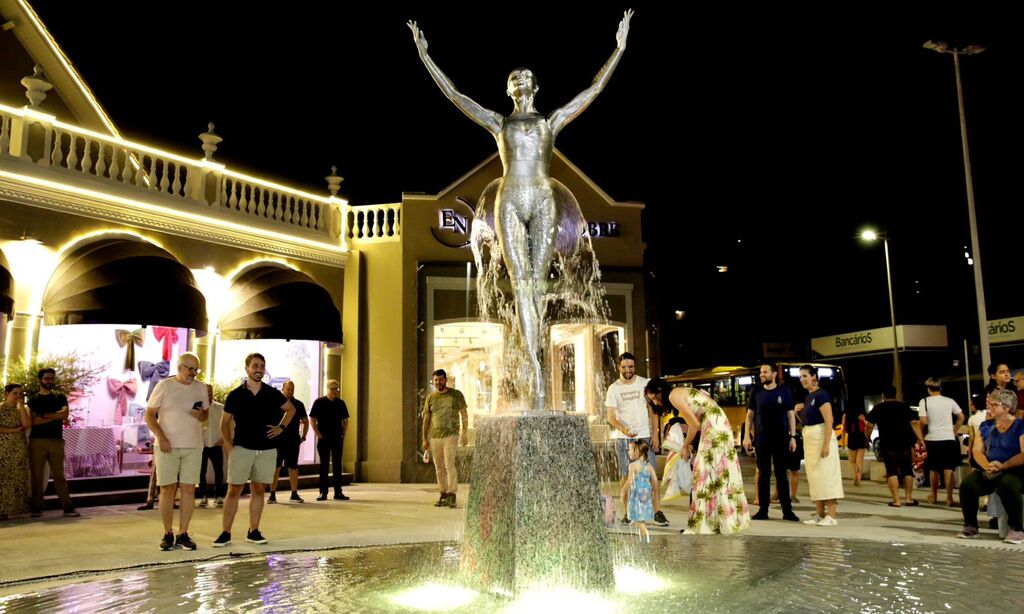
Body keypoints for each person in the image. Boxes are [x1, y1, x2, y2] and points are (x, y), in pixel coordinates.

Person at [408, 11, 633, 410]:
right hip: (509, 197)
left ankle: (538, 376)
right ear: (509, 89)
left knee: (536, 283)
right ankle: (534, 373)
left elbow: (593, 90)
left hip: (543, 196)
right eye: (514, 78)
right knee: (522, 283)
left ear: (536, 85)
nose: (520, 81)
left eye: (525, 76)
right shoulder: (498, 123)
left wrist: (619, 48)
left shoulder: (551, 122)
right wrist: (425, 56)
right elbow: (455, 95)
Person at [645, 378, 749, 535]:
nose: (655, 402)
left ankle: (703, 524)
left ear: (660, 391)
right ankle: (720, 520)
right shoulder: (682, 390)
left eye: (654, 397)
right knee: (718, 473)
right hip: (719, 424)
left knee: (703, 474)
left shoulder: (673, 395)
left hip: (713, 427)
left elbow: (694, 424)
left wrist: (685, 446)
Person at [214, 353, 295, 547]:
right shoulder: (235, 395)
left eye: (262, 366)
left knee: (259, 489)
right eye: (255, 366)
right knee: (234, 490)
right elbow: (224, 423)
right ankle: (225, 532)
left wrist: (281, 428)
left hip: (266, 450)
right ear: (247, 368)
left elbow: (291, 410)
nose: (259, 369)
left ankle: (254, 531)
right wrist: (228, 446)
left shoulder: (272, 393)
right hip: (242, 448)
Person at [144, 352, 209, 550]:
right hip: (167, 445)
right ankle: (167, 533)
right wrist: (161, 437)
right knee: (167, 489)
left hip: (193, 445)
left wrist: (201, 414)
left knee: (189, 489)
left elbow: (205, 415)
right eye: (190, 369)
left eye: (196, 369)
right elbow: (149, 415)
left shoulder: (200, 388)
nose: (193, 373)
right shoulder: (165, 386)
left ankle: (183, 533)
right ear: (180, 368)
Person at [956, 389, 1024, 543]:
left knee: (1007, 485)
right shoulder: (986, 426)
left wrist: (1003, 466)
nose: (989, 408)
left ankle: (1017, 529)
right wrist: (987, 465)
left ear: (1006, 408)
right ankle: (971, 526)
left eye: (994, 405)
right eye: (989, 404)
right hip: (992, 468)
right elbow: (977, 450)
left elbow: (1023, 454)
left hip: (1016, 470)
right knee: (967, 486)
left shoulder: (1020, 426)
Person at [606, 353, 666, 525]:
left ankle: (657, 512)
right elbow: (610, 416)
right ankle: (629, 513)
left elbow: (653, 411)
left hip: (644, 436)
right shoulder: (614, 388)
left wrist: (655, 435)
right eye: (624, 367)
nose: (628, 370)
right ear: (619, 367)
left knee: (651, 474)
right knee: (626, 474)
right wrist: (623, 429)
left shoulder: (644, 383)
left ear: (635, 366)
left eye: (631, 366)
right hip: (624, 438)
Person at [743, 362, 799, 522]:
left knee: (782, 475)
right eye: (761, 372)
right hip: (762, 438)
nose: (762, 374)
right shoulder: (757, 391)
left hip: (781, 438)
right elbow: (749, 415)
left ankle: (787, 511)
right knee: (763, 475)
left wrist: (792, 437)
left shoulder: (784, 391)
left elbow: (790, 415)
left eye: (765, 372)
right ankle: (763, 510)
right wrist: (747, 436)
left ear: (774, 374)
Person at [27, 368, 78, 517]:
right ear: (40, 380)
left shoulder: (60, 396)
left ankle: (67, 506)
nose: (49, 381)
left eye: (51, 378)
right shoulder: (34, 399)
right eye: (47, 378)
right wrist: (55, 416)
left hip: (56, 440)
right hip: (37, 441)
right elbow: (34, 421)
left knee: (59, 475)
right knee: (36, 475)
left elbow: (65, 414)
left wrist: (44, 415)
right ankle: (37, 506)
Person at [796, 365, 844, 526]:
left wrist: (826, 444)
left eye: (805, 376)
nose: (802, 379)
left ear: (814, 377)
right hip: (810, 440)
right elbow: (805, 421)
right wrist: (796, 412)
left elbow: (829, 420)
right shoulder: (808, 397)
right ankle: (820, 514)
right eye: (801, 376)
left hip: (821, 438)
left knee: (827, 475)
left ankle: (831, 516)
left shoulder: (822, 395)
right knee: (815, 477)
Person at [866, 385, 925, 507]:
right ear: (896, 395)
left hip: (887, 443)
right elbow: (914, 423)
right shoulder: (904, 407)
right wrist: (921, 439)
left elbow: (869, 425)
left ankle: (896, 500)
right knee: (907, 470)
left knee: (891, 471)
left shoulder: (878, 408)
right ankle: (908, 498)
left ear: (883, 396)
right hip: (904, 443)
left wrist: (866, 439)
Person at [420, 370, 467, 508]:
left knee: (449, 465)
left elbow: (464, 414)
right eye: (435, 380)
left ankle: (452, 494)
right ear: (433, 381)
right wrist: (424, 439)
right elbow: (426, 420)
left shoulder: (456, 395)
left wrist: (464, 433)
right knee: (439, 467)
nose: (438, 382)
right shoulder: (430, 398)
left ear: (445, 380)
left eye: (440, 380)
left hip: (451, 435)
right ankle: (443, 493)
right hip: (435, 437)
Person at [918, 377, 964, 506]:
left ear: (928, 389)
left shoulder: (924, 401)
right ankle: (949, 498)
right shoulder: (950, 401)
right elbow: (961, 417)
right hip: (949, 438)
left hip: (932, 438)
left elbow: (922, 421)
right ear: (940, 388)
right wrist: (954, 430)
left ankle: (934, 495)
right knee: (949, 468)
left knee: (934, 468)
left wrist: (921, 436)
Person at [268, 381, 309, 504]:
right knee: (275, 468)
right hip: (277, 441)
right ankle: (272, 495)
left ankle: (294, 494)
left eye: (292, 389)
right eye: (288, 389)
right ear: (283, 389)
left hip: (292, 440)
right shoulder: (276, 403)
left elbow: (305, 421)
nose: (290, 391)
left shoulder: (299, 405)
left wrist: (303, 437)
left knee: (293, 467)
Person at [310, 379, 349, 502]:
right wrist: (318, 434)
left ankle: (338, 492)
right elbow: (312, 419)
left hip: (337, 438)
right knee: (324, 466)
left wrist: (343, 434)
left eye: (336, 389)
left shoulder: (341, 403)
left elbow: (346, 420)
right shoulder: (319, 402)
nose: (334, 391)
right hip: (324, 438)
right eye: (332, 389)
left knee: (337, 465)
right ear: (327, 389)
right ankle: (323, 492)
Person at [0, 383, 31, 521]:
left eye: (20, 394)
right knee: (4, 478)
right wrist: (13, 430)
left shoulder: (21, 410)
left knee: (16, 478)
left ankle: (14, 508)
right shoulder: (1, 408)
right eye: (15, 393)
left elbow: (27, 425)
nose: (18, 396)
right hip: (3, 448)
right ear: (6, 394)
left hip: (18, 448)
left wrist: (22, 407)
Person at [621, 440, 658, 542]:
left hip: (637, 496)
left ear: (637, 451)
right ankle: (642, 541)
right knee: (642, 520)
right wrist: (653, 493)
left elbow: (630, 480)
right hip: (646, 496)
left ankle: (646, 535)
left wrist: (623, 491)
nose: (628, 452)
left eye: (630, 450)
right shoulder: (649, 466)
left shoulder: (633, 465)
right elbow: (655, 482)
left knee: (639, 522)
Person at [197, 384, 226, 508]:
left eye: (210, 391)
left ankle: (218, 495)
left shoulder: (220, 408)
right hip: (201, 444)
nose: (208, 394)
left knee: (218, 471)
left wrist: (223, 440)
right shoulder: (197, 408)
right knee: (201, 472)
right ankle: (203, 496)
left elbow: (228, 425)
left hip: (216, 443)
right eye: (205, 391)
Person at [844, 403, 868, 487]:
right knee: (859, 461)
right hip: (861, 438)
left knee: (852, 461)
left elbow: (844, 429)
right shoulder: (862, 416)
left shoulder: (846, 416)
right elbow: (866, 428)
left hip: (852, 438)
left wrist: (843, 443)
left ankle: (856, 476)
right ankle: (859, 479)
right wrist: (867, 439)